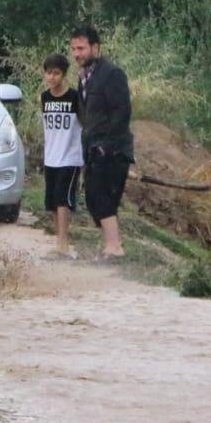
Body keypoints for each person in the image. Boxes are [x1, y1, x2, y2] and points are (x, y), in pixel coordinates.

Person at [69, 24, 132, 259]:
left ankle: (114, 247)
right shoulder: (85, 77)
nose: (77, 54)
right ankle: (113, 246)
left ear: (96, 47)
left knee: (102, 196)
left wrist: (107, 146)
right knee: (95, 199)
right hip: (92, 148)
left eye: (81, 48)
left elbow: (122, 112)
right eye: (74, 49)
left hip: (112, 150)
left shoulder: (112, 74)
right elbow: (85, 115)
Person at [40, 52, 84, 259]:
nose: (52, 77)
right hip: (51, 156)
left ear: (64, 74)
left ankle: (64, 245)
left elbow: (85, 124)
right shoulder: (44, 97)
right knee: (51, 203)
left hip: (70, 157)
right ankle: (59, 242)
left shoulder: (75, 97)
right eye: (49, 73)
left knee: (62, 201)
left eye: (56, 73)